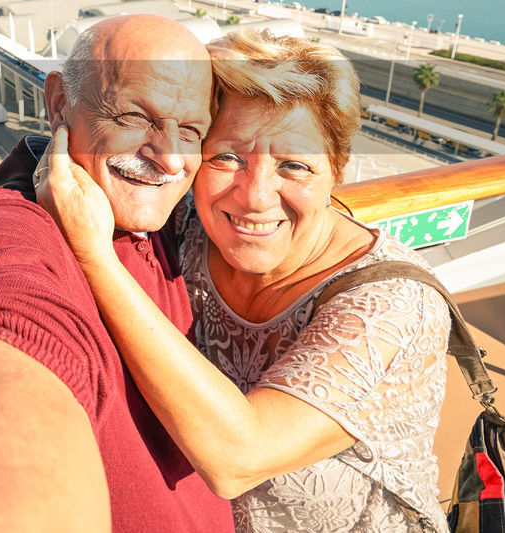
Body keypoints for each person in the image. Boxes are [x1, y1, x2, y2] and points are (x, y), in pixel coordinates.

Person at [36, 28, 451, 533]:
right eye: (227, 158)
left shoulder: (392, 305)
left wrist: (95, 256)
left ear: (336, 170)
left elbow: (239, 457)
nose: (255, 196)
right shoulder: (186, 226)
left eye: (294, 166)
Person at [0, 15, 234, 532]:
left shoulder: (151, 212)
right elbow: (10, 327)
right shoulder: (10, 233)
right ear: (57, 105)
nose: (167, 157)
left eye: (190, 130)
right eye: (135, 116)